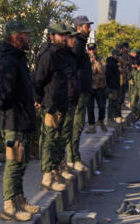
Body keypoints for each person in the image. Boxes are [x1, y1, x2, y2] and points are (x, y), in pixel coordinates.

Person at [0, 20, 40, 222]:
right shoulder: (9, 61)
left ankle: (20, 200)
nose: (29, 38)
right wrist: (1, 103)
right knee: (13, 164)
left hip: (23, 120)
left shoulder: (18, 59)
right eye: (25, 34)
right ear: (15, 36)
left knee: (21, 163)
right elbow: (6, 93)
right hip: (14, 122)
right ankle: (9, 207)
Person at [33, 21, 74, 191]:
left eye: (65, 35)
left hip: (61, 103)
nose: (64, 38)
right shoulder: (48, 55)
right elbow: (38, 80)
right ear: (52, 36)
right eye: (61, 35)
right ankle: (47, 176)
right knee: (49, 140)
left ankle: (56, 170)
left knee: (59, 139)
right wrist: (38, 99)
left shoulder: (62, 54)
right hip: (50, 104)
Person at [65, 15, 93, 172]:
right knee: (76, 125)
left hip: (83, 90)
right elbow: (71, 67)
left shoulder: (81, 43)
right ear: (79, 27)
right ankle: (72, 158)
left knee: (79, 124)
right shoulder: (77, 44)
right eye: (86, 26)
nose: (89, 29)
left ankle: (75, 156)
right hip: (79, 90)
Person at [86, 42, 107, 133]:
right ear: (88, 51)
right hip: (89, 86)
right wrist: (90, 61)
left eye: (93, 49)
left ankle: (101, 120)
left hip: (100, 86)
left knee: (102, 106)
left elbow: (102, 71)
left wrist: (96, 61)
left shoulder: (101, 59)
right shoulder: (85, 59)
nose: (92, 51)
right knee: (90, 107)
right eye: (90, 50)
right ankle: (91, 125)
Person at [105, 45, 122, 125]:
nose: (119, 57)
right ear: (114, 55)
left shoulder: (114, 64)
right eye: (118, 56)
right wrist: (109, 86)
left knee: (114, 103)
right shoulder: (110, 64)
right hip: (111, 87)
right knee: (111, 104)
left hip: (114, 86)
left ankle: (112, 119)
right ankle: (109, 120)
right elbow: (107, 75)